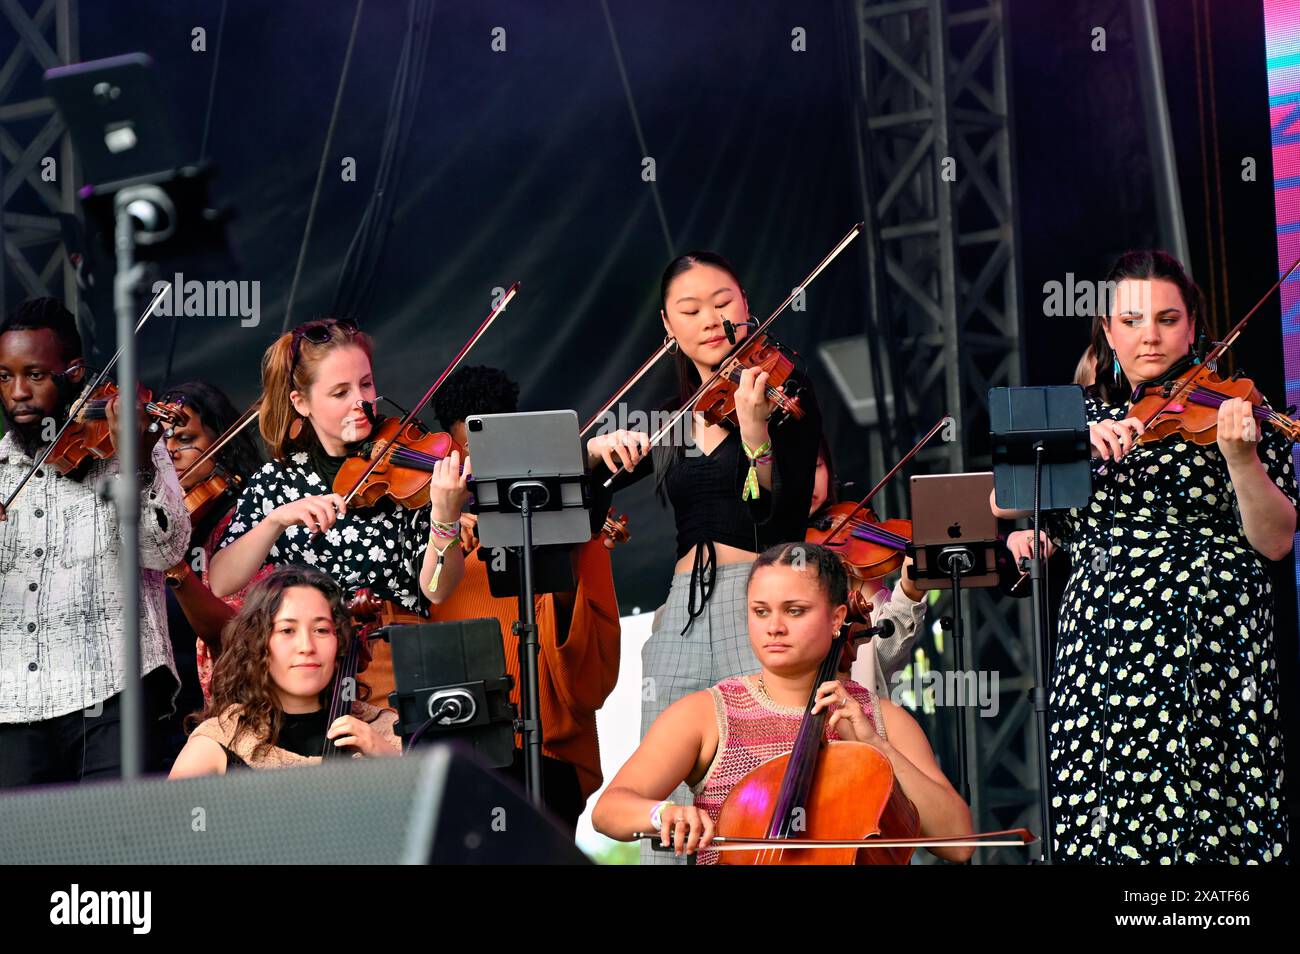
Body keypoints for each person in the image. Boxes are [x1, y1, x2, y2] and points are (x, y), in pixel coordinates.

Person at [993, 250, 1298, 863]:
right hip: (1109, 641)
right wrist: (1071, 447)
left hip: (1215, 634)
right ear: (1107, 331)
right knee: (1116, 811)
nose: (1150, 337)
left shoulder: (1233, 407)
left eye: (1167, 319)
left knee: (1218, 807)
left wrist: (1241, 459)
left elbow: (1274, 540)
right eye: (1130, 321)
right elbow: (1002, 500)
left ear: (1193, 327)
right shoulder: (1075, 415)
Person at [588, 252, 822, 861]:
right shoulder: (671, 423)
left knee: (763, 771)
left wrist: (754, 439)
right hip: (681, 610)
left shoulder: (785, 392)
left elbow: (783, 519)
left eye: (723, 303)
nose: (711, 319)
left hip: (757, 598)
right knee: (665, 780)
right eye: (690, 310)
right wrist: (597, 459)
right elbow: (587, 511)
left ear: (747, 305)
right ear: (669, 327)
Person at [592, 542, 973, 864]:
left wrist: (877, 746)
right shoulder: (708, 714)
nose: (774, 626)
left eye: (794, 611)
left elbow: (960, 841)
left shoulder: (881, 719)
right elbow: (609, 810)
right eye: (760, 611)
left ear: (838, 617)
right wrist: (663, 813)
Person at [207, 318, 471, 704]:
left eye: (366, 384)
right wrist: (277, 519)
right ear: (302, 402)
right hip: (304, 668)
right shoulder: (277, 480)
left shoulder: (411, 474)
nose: (360, 402)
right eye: (340, 392)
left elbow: (436, 590)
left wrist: (445, 517)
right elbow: (221, 581)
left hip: (393, 660)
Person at [0, 297, 190, 787]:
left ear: (73, 372)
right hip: (15, 705)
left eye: (36, 375)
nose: (18, 392)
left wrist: (138, 458)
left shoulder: (128, 445)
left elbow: (165, 552)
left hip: (113, 690)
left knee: (116, 845)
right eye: (5, 376)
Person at [429, 365, 621, 832]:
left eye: (484, 452)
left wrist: (560, 548)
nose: (471, 469)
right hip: (458, 747)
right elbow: (428, 598)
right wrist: (445, 524)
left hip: (548, 752)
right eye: (461, 453)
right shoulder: (433, 524)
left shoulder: (567, 524)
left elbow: (593, 672)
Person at [170, 565, 400, 776]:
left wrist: (392, 761)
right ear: (257, 642)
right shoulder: (218, 742)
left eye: (321, 630)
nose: (306, 647)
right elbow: (169, 820)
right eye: (287, 630)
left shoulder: (385, 732)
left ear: (340, 642)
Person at [158, 380, 266, 715]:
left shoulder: (244, 518)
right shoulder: (158, 513)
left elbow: (233, 630)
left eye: (186, 439)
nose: (171, 452)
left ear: (220, 443)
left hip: (233, 705)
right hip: (164, 706)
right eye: (161, 442)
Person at [806, 435, 927, 698]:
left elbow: (874, 663)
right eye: (795, 468)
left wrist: (909, 592)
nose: (806, 480)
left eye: (815, 466)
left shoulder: (853, 555)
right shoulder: (751, 549)